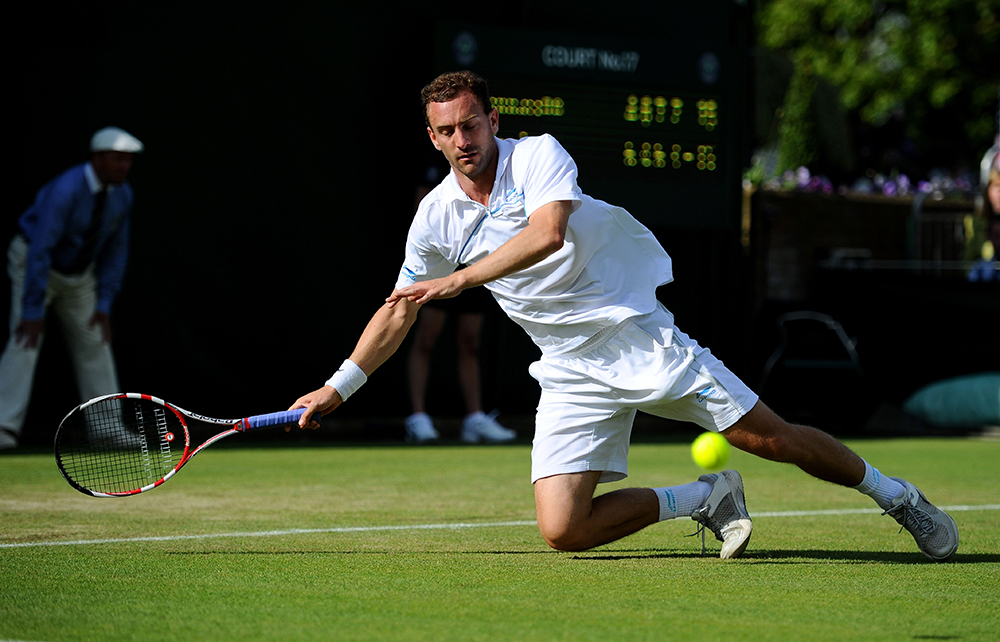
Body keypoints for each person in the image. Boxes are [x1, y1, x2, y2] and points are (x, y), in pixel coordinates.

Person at [290, 71, 958, 561]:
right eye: (447, 130)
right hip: (568, 368)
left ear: (493, 120)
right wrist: (338, 386)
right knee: (563, 531)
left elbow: (548, 234)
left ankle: (896, 496)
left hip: (634, 333)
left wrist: (461, 279)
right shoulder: (434, 216)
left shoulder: (540, 155)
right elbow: (396, 311)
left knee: (773, 438)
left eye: (471, 124)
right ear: (432, 138)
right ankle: (704, 499)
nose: (462, 139)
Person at [0, 127, 143, 451]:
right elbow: (41, 249)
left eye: (128, 161)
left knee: (96, 340)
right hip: (34, 264)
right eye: (117, 159)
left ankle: (107, 430)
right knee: (25, 339)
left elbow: (116, 252)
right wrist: (33, 308)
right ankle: (3, 427)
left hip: (79, 275)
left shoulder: (123, 195)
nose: (124, 167)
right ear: (98, 159)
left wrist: (104, 303)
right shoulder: (66, 190)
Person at [404, 153, 517, 444]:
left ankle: (475, 418)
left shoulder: (493, 169)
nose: (461, 140)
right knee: (426, 339)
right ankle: (418, 418)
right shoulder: (434, 179)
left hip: (475, 266)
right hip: (440, 267)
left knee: (470, 342)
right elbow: (423, 212)